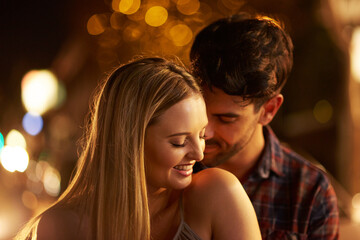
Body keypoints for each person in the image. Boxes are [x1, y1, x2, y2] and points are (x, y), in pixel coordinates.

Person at [15, 57, 261, 240]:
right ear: (129, 142)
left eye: (201, 135)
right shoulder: (61, 226)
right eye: (178, 142)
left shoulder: (217, 194)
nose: (198, 154)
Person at [190, 12, 339, 239]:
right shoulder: (172, 170)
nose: (204, 131)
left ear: (269, 110)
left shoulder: (308, 192)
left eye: (226, 118)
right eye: (199, 110)